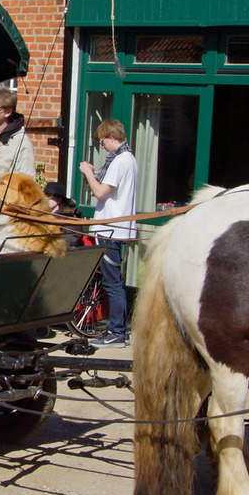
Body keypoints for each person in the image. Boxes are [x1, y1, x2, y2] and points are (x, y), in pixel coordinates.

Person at [78, 118, 138, 346]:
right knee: (116, 282)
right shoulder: (128, 158)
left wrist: (88, 173)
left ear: (112, 139)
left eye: (103, 142)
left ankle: (117, 332)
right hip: (116, 229)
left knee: (112, 284)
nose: (101, 146)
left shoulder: (121, 161)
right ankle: (118, 330)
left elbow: (101, 192)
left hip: (110, 230)